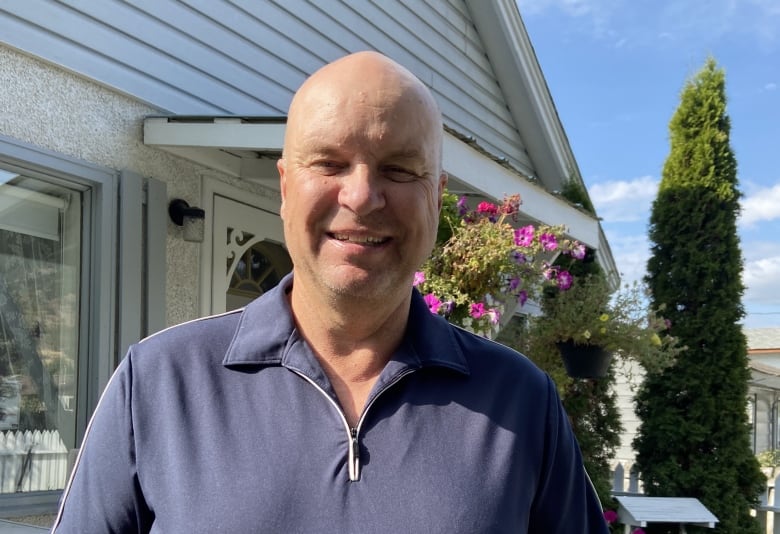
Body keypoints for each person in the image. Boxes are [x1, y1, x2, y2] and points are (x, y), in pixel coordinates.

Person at [52, 51, 608, 533]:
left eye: (399, 168)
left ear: (437, 197)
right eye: (329, 163)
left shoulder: (520, 401)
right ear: (286, 188)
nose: (363, 196)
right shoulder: (158, 383)